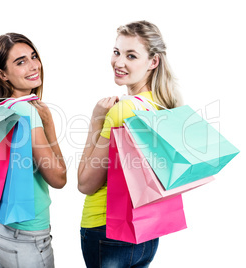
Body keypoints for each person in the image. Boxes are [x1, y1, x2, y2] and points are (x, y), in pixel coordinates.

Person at [77, 20, 183, 267]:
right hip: (148, 233)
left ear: (153, 62)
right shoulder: (164, 106)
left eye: (131, 55)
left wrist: (96, 121)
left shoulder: (122, 110)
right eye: (117, 52)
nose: (119, 62)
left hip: (106, 230)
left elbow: (86, 183)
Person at [0, 33, 67, 268]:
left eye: (33, 57)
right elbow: (58, 178)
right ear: (2, 74)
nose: (33, 66)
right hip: (26, 237)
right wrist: (48, 125)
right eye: (20, 62)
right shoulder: (27, 113)